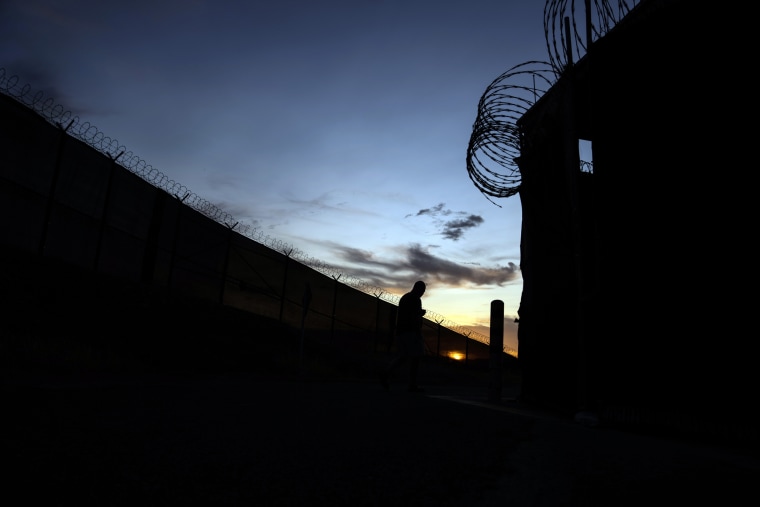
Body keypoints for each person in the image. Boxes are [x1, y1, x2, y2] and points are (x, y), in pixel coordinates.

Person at [379, 280, 427, 392]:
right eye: (422, 290)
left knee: (404, 357)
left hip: (401, 331)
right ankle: (412, 385)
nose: (423, 293)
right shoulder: (415, 299)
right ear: (418, 289)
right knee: (416, 357)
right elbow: (413, 316)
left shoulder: (405, 297)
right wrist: (418, 330)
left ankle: (386, 374)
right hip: (410, 332)